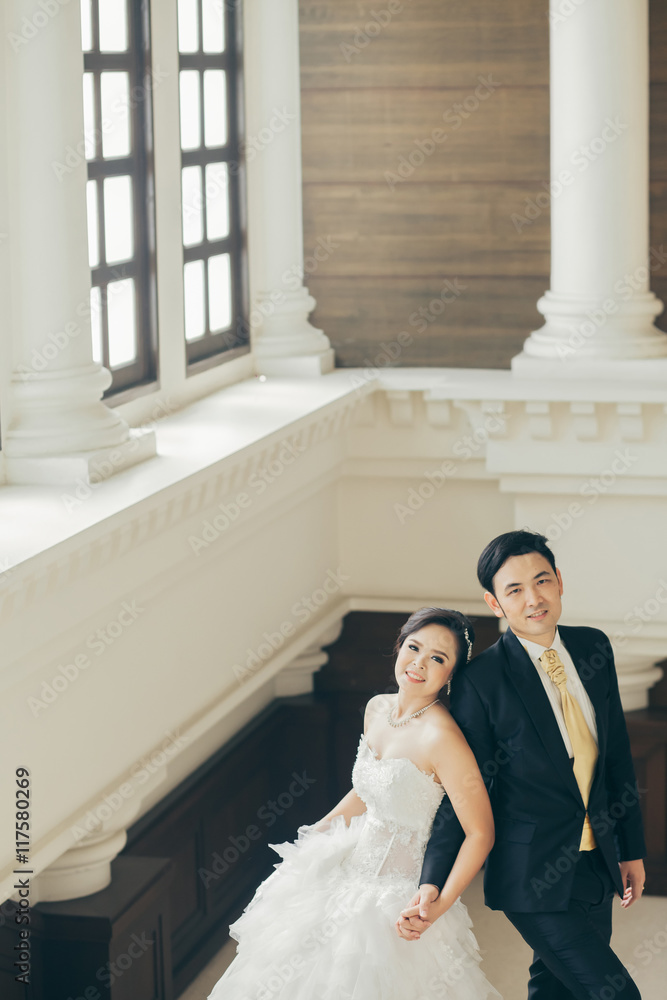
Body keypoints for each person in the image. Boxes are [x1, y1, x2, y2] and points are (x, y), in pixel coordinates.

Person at [399, 530, 646, 1000]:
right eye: (514, 590)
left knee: (557, 989)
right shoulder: (481, 680)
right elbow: (464, 790)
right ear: (495, 603)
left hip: (596, 861)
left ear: (559, 582)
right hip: (531, 874)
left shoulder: (594, 647)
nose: (533, 599)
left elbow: (616, 757)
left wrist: (630, 848)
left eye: (542, 581)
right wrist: (433, 880)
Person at [208, 607, 501, 999]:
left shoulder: (442, 738)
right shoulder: (377, 708)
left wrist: (438, 904)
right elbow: (369, 790)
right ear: (399, 646)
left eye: (438, 658)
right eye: (413, 647)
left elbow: (480, 833)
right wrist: (322, 826)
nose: (419, 663)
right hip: (347, 868)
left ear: (451, 674)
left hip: (397, 896)